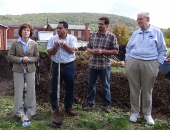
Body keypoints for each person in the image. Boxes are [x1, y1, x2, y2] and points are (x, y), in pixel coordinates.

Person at [125, 12, 167, 125]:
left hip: (150, 63)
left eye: (140, 19)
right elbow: (128, 48)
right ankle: (134, 112)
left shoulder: (156, 32)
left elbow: (163, 50)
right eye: (137, 20)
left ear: (147, 19)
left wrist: (158, 63)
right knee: (134, 89)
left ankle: (147, 114)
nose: (138, 21)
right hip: (133, 62)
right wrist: (128, 61)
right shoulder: (135, 33)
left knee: (147, 90)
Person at [84, 16, 119, 113]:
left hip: (105, 65)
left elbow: (115, 51)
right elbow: (88, 48)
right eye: (98, 23)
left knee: (106, 86)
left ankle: (107, 105)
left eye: (101, 24)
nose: (99, 25)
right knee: (91, 85)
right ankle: (90, 103)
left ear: (107, 25)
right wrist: (93, 51)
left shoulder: (112, 36)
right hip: (93, 65)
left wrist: (102, 51)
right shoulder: (93, 35)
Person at [8, 23, 39, 124]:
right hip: (18, 69)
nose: (26, 32)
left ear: (30, 33)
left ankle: (31, 111)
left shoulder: (34, 44)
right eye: (24, 30)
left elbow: (37, 57)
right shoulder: (15, 43)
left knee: (31, 90)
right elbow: (10, 56)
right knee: (18, 91)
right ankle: (18, 112)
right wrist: (21, 59)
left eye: (28, 30)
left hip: (30, 69)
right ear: (21, 32)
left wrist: (29, 59)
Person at [47, 21, 78, 117]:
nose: (58, 30)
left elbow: (72, 50)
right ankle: (54, 108)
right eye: (57, 28)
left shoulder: (72, 38)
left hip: (69, 66)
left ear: (66, 29)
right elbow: (50, 53)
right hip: (57, 66)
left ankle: (68, 107)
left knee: (70, 87)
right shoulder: (53, 39)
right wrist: (56, 45)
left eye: (60, 28)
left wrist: (63, 43)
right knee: (55, 88)